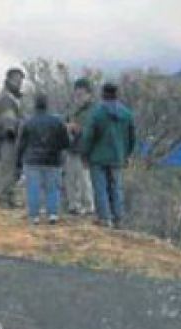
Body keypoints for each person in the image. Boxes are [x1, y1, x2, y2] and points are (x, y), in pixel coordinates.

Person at [78, 82, 136, 228]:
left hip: (97, 157)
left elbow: (88, 136)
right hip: (118, 157)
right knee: (116, 187)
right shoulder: (127, 114)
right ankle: (118, 218)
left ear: (103, 94)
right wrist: (127, 154)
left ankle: (104, 218)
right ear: (117, 94)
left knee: (100, 188)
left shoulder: (97, 113)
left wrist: (84, 154)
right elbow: (131, 137)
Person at [16, 93, 70, 224]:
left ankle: (34, 216)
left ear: (35, 105)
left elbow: (21, 144)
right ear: (47, 105)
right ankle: (53, 214)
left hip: (32, 160)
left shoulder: (28, 122)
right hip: (53, 160)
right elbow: (66, 143)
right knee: (52, 188)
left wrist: (18, 161)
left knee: (33, 188)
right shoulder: (58, 122)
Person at [0, 68, 26, 208]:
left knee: (11, 170)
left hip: (11, 138)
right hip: (6, 139)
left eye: (21, 81)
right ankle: (2, 200)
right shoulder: (7, 98)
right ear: (9, 80)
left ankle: (8, 198)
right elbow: (8, 122)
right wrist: (16, 131)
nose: (19, 83)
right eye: (17, 80)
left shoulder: (13, 97)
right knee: (6, 168)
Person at [63, 78, 95, 216]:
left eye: (81, 95)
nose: (78, 98)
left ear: (89, 95)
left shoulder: (93, 111)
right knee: (70, 179)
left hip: (84, 151)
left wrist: (77, 129)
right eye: (76, 95)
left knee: (84, 181)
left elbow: (91, 131)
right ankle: (73, 205)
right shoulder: (73, 111)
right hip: (72, 148)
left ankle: (88, 207)